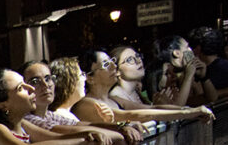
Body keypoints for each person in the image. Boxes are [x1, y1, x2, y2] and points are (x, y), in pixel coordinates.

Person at [73, 50, 215, 126]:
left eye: (112, 61)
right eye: (105, 64)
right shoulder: (86, 104)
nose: (113, 66)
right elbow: (134, 116)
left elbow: (152, 109)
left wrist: (189, 110)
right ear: (89, 77)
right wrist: (189, 113)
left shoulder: (114, 99)